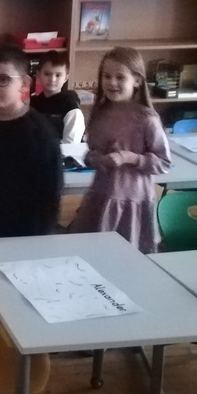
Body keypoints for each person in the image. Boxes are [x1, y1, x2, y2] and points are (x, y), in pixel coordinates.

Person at [69, 47, 171, 253]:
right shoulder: (100, 113)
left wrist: (130, 158)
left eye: (120, 77)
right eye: (107, 76)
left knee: (127, 253)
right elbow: (91, 152)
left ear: (137, 80)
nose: (112, 83)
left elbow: (164, 163)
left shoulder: (147, 119)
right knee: (94, 252)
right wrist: (95, 159)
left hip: (132, 201)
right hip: (101, 194)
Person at [0, 43, 63, 238]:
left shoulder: (41, 134)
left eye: (3, 79)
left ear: (24, 83)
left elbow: (50, 199)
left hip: (24, 235)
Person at [29, 50, 85, 144]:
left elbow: (71, 143)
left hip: (63, 152)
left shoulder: (70, 106)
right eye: (47, 74)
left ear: (66, 78)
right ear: (38, 75)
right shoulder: (33, 103)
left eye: (58, 75)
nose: (52, 79)